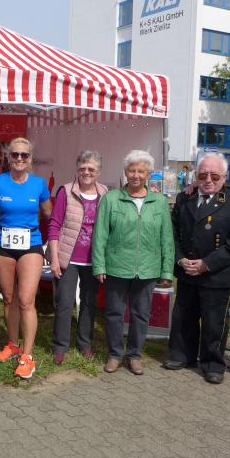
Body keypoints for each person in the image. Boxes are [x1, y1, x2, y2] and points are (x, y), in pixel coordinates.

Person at [164, 153, 230, 384]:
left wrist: (206, 264)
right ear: (195, 176)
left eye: (214, 175)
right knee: (184, 316)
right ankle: (182, 355)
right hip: (187, 270)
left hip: (217, 274)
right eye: (202, 175)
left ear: (224, 177)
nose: (208, 180)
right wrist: (180, 259)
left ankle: (213, 364)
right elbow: (173, 234)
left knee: (214, 322)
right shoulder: (185, 198)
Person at [92, 150, 174, 375]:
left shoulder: (159, 202)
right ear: (125, 172)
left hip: (147, 268)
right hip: (116, 266)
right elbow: (100, 235)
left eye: (141, 171)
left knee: (141, 314)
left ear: (148, 174)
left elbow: (167, 238)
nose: (136, 175)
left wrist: (167, 271)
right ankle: (115, 354)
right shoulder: (111, 199)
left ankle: (135, 355)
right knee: (114, 313)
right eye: (132, 170)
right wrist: (99, 265)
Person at [0, 138, 52, 378]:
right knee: (8, 299)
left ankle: (27, 355)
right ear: (8, 157)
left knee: (26, 300)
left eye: (24, 155)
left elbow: (49, 213)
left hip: (30, 245)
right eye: (15, 154)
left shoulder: (38, 183)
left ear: (30, 158)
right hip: (3, 244)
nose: (19, 159)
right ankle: (13, 344)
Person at [47, 150, 108, 365]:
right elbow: (54, 225)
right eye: (82, 168)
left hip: (94, 259)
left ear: (98, 172)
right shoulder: (66, 191)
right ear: (77, 169)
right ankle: (60, 346)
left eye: (91, 168)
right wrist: (54, 259)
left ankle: (85, 344)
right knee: (64, 303)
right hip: (67, 257)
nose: (86, 172)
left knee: (89, 303)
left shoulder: (105, 193)